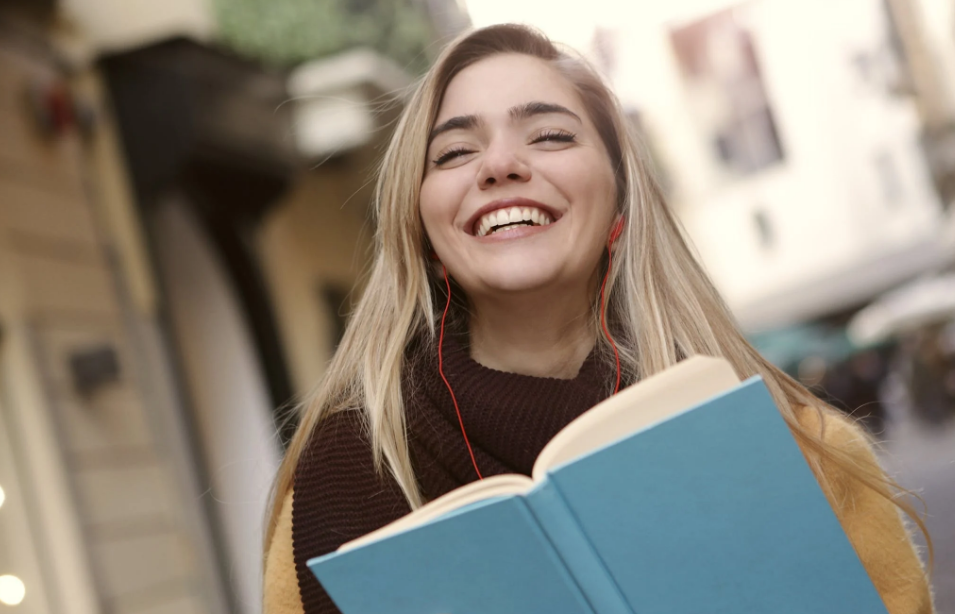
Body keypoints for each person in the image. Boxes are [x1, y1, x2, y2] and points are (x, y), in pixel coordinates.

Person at [262, 24, 934, 614]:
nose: (500, 165)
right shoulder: (337, 485)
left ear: (620, 204)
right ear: (423, 229)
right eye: (455, 152)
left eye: (551, 135)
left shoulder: (804, 455)